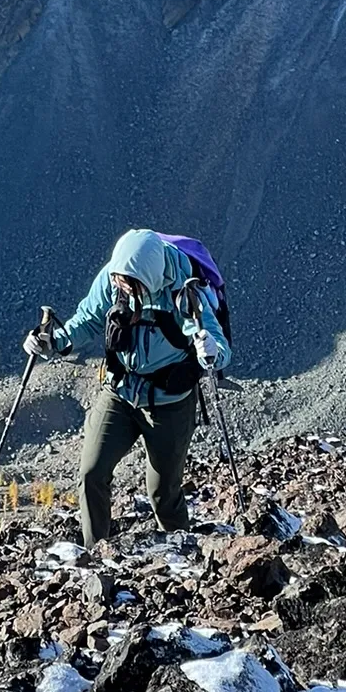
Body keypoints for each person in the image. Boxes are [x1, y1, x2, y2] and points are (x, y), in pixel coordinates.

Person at [24, 228, 231, 548]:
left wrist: (211, 351)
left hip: (169, 402)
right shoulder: (114, 277)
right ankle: (96, 554)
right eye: (118, 279)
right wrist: (53, 342)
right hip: (119, 391)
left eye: (127, 282)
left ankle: (182, 553)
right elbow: (89, 319)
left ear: (148, 276)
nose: (119, 286)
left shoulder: (183, 290)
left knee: (163, 494)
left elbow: (215, 340)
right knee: (91, 473)